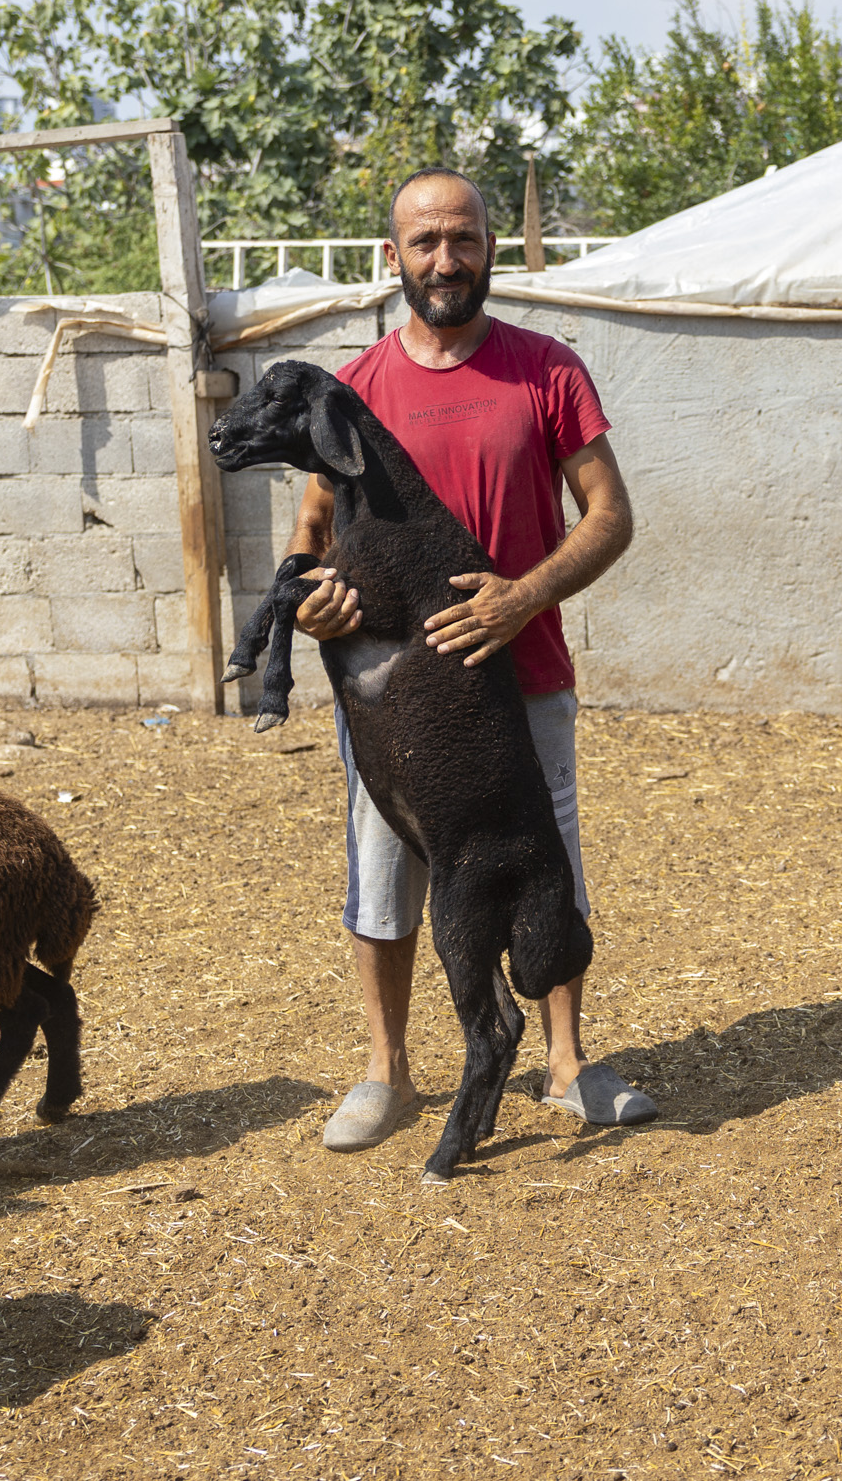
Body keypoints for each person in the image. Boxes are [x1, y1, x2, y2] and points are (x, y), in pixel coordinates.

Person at [285, 165, 658, 1153]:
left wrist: (522, 594)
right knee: (383, 874)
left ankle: (568, 1061)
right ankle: (387, 1073)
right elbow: (312, 532)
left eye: (463, 238)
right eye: (424, 242)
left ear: (492, 246)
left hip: (523, 679)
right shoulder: (354, 390)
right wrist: (312, 600)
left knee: (546, 867)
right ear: (390, 257)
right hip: (390, 700)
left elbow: (611, 517)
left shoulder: (547, 369)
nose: (445, 259)